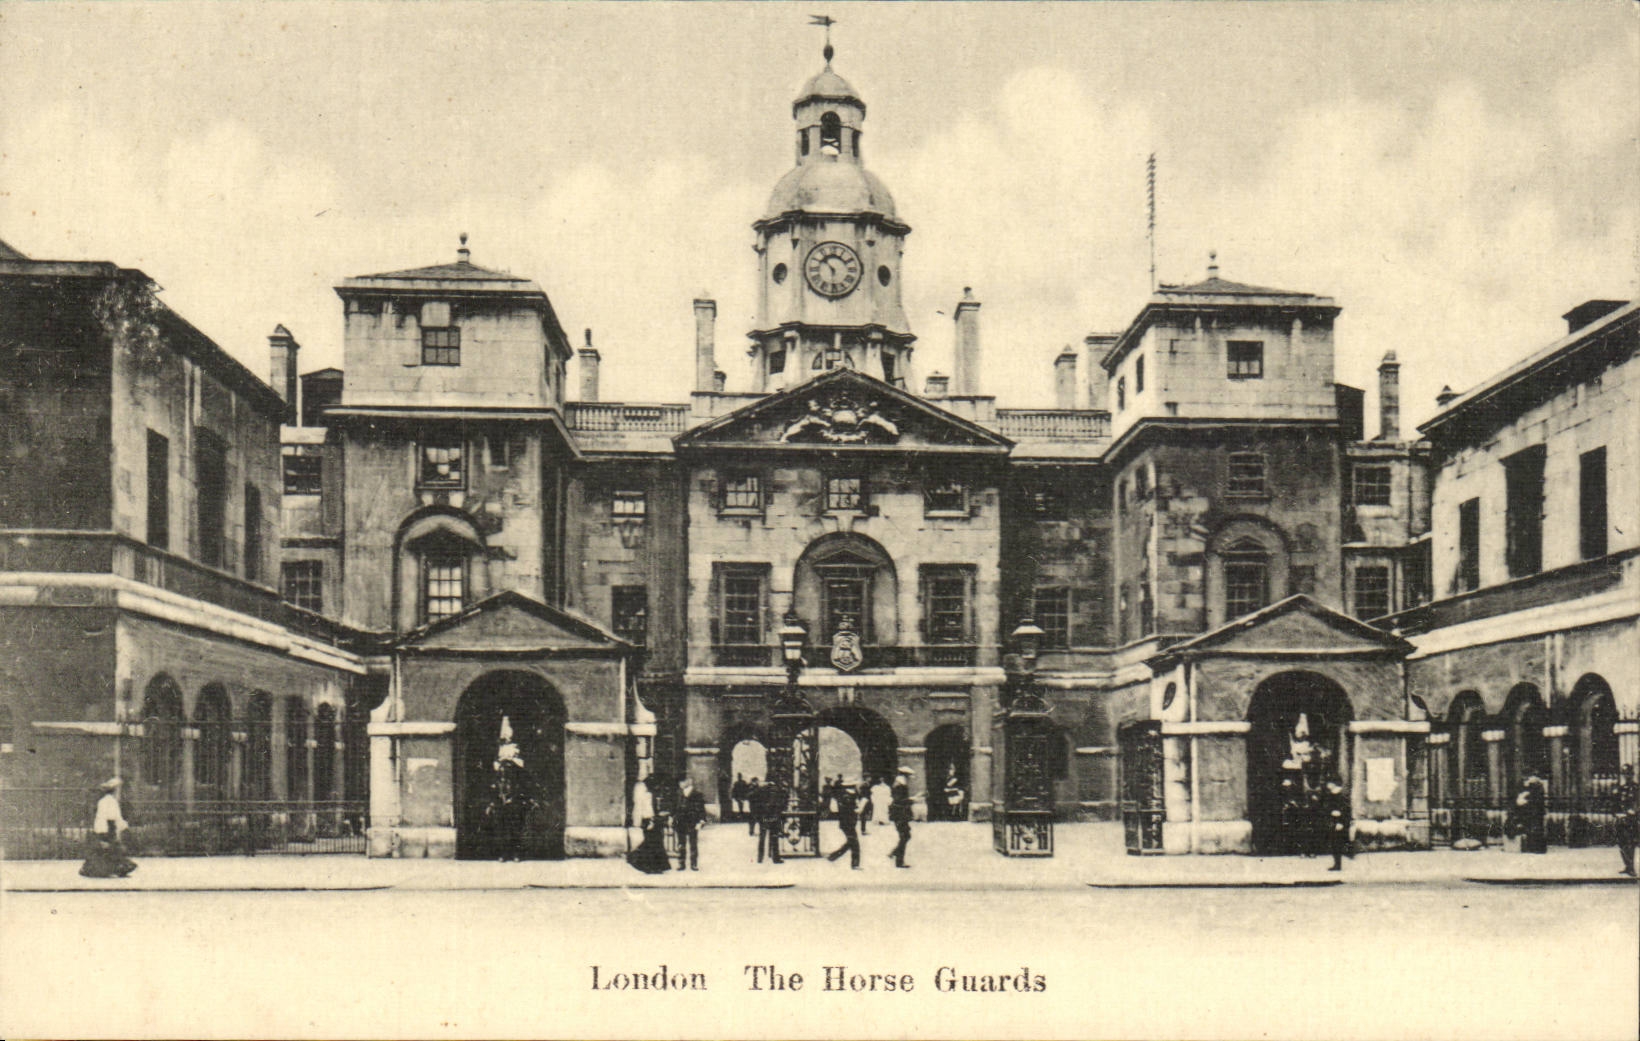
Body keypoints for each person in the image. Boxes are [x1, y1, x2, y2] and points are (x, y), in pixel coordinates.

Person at [80, 778, 137, 879]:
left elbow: (100, 817)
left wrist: (100, 830)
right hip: (109, 827)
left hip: (103, 827)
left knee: (105, 850)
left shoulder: (102, 801)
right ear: (114, 791)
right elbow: (115, 817)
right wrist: (124, 826)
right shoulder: (111, 802)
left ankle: (96, 869)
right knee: (111, 849)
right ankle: (116, 868)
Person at [626, 774, 670, 874]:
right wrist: (651, 821)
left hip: (650, 820)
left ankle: (654, 867)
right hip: (650, 821)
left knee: (654, 843)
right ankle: (650, 866)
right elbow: (648, 810)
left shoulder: (649, 795)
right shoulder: (649, 796)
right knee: (652, 844)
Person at [826, 780, 862, 869]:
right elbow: (848, 809)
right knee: (854, 843)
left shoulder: (844, 795)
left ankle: (833, 856)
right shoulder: (848, 796)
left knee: (851, 842)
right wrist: (856, 809)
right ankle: (854, 864)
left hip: (846, 822)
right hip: (848, 822)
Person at [673, 776, 707, 871]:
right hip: (680, 822)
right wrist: (672, 817)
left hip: (692, 821)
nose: (680, 784)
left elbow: (701, 809)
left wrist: (701, 820)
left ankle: (694, 863)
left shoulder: (697, 794)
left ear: (689, 782)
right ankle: (681, 863)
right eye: (680, 782)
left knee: (693, 843)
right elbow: (675, 807)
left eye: (682, 781)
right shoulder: (679, 793)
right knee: (681, 843)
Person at [1321, 778, 1351, 871]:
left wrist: (1341, 822)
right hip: (1333, 820)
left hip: (1339, 822)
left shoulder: (1341, 794)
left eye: (1329, 783)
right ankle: (1336, 864)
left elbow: (1346, 809)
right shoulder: (1331, 794)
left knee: (1337, 843)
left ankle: (1338, 864)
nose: (1327, 785)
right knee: (1334, 843)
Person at [887, 767, 914, 868]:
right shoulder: (900, 786)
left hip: (900, 814)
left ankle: (895, 853)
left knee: (905, 836)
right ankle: (899, 861)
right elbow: (899, 800)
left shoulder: (898, 784)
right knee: (905, 836)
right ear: (904, 776)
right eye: (908, 776)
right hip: (900, 814)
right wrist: (911, 800)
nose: (909, 779)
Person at [756, 776, 785, 864]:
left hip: (763, 816)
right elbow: (774, 803)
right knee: (774, 836)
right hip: (772, 815)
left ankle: (760, 858)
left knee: (762, 837)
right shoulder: (775, 789)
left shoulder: (761, 788)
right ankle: (775, 858)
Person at [1614, 764, 1637, 877]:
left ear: (1632, 774)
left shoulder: (1636, 788)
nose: (1626, 776)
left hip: (1631, 820)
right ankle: (1627, 866)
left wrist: (1633, 812)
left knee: (1630, 843)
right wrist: (1617, 814)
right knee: (1622, 843)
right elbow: (1616, 804)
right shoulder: (1621, 788)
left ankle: (1631, 867)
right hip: (1621, 820)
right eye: (1624, 774)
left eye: (1628, 773)